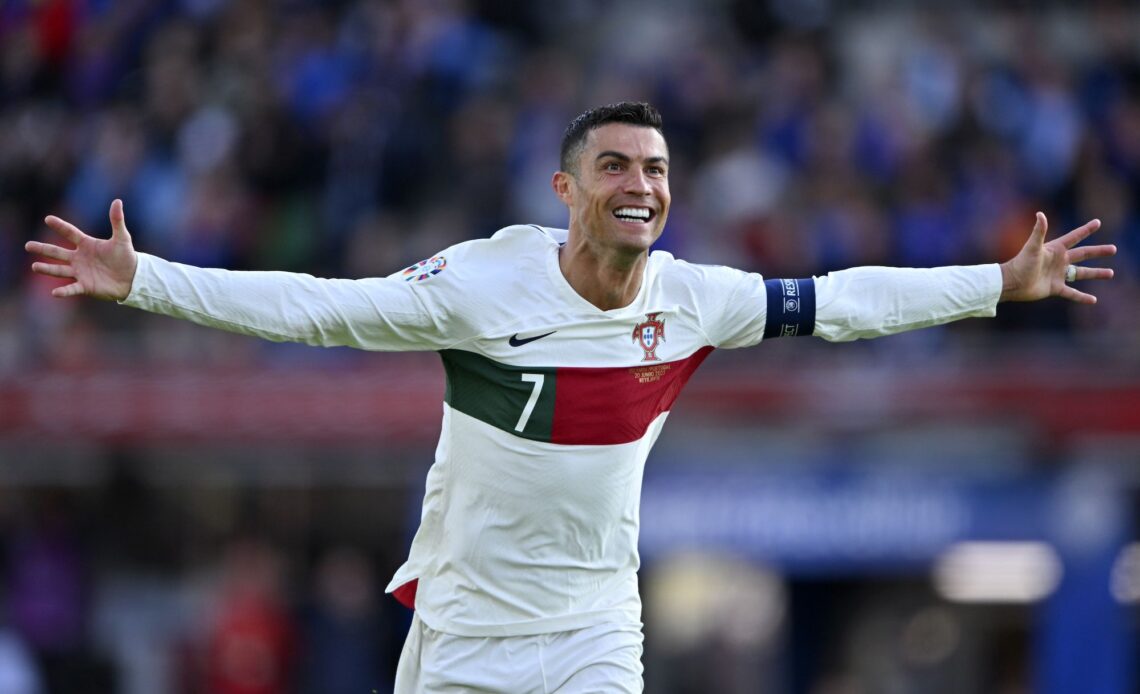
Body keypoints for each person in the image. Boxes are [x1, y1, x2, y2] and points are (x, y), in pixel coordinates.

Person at [25, 102, 1115, 693]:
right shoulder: (477, 285)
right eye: (615, 167)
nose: (640, 183)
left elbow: (843, 300)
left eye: (654, 168)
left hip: (596, 627)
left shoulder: (696, 299)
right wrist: (145, 280)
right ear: (566, 191)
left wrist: (998, 282)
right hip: (459, 632)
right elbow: (317, 309)